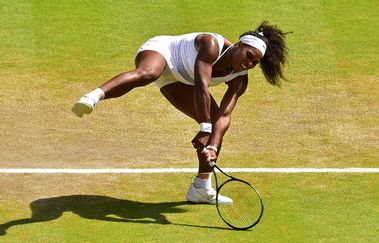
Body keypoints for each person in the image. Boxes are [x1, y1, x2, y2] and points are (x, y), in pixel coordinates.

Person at [72, 21, 288, 204]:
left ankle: (201, 188)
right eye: (249, 55)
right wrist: (204, 128)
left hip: (178, 80)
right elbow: (201, 86)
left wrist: (212, 143)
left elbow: (224, 115)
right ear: (239, 45)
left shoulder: (240, 79)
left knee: (214, 124)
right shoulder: (212, 44)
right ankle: (93, 97)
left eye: (254, 62)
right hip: (162, 53)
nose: (248, 63)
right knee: (148, 73)